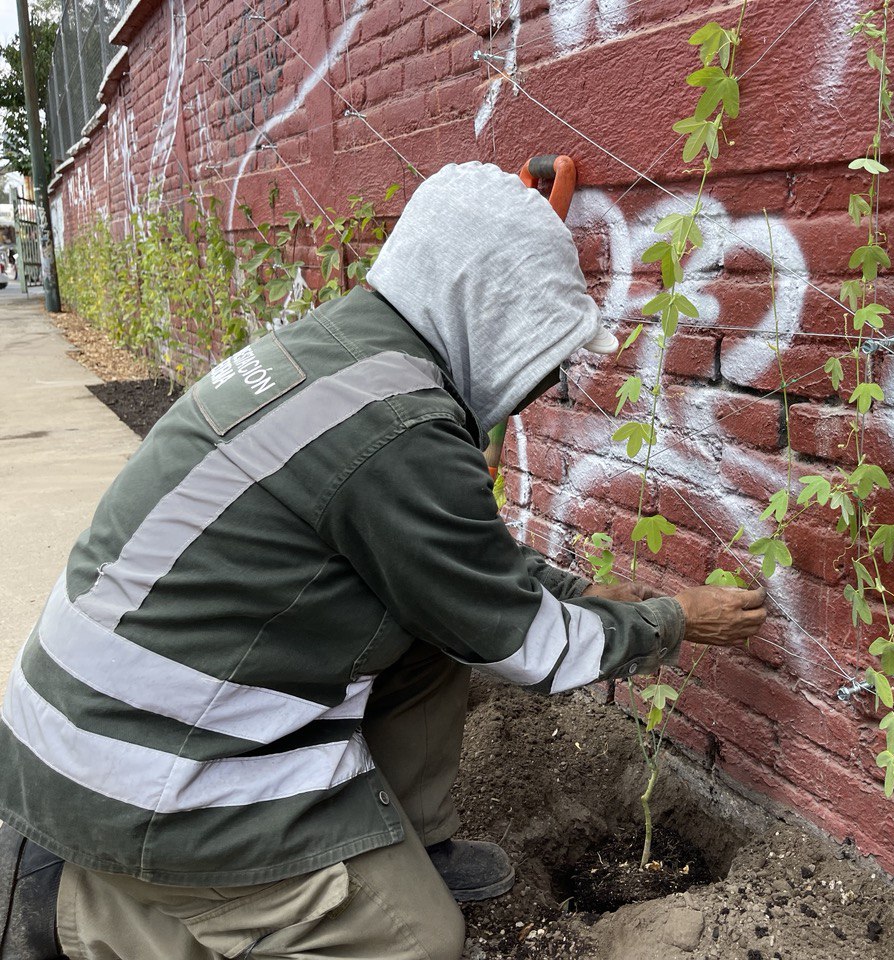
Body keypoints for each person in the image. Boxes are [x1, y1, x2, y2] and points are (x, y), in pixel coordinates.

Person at [0, 162, 768, 960]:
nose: (544, 379)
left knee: (432, 633)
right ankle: (80, 914)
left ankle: (410, 847)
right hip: (137, 770)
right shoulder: (400, 430)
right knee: (416, 941)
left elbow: (452, 572)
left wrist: (581, 588)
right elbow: (524, 645)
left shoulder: (343, 351)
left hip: (96, 712)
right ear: (486, 311)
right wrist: (672, 622)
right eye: (541, 348)